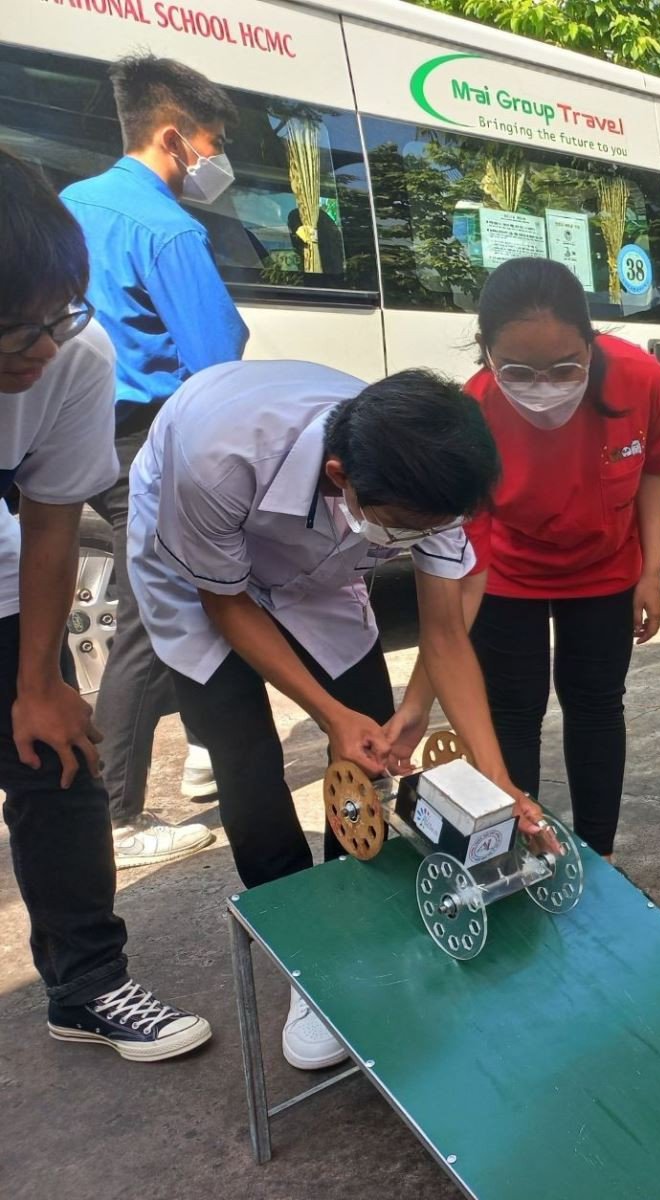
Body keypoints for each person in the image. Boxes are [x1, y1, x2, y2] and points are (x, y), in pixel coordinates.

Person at [125, 359, 561, 1068]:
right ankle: (308, 954)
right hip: (198, 567)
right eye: (403, 529)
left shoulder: (425, 480)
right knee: (245, 758)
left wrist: (501, 782)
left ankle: (357, 916)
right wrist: (326, 713)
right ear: (340, 476)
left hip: (317, 566)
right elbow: (226, 603)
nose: (415, 539)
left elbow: (446, 636)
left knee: (371, 736)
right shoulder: (218, 457)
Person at [0, 149, 210, 1061]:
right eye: (17, 330)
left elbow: (50, 523)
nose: (45, 347)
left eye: (60, 315)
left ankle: (87, 985)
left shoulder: (74, 354)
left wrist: (40, 682)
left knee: (57, 761)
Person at [61, 53, 249, 869]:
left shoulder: (70, 205)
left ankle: (208, 750)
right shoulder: (168, 229)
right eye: (213, 143)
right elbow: (217, 357)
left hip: (69, 432)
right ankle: (115, 817)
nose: (216, 162)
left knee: (180, 596)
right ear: (174, 137)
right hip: (146, 438)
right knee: (152, 613)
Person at [437, 259, 660, 860]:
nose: (544, 386)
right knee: (513, 713)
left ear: (590, 339)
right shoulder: (476, 407)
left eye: (565, 367)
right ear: (486, 351)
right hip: (508, 574)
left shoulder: (641, 379)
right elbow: (471, 543)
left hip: (605, 569)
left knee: (596, 703)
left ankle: (599, 854)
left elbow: (654, 471)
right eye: (518, 370)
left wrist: (652, 573)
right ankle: (523, 849)